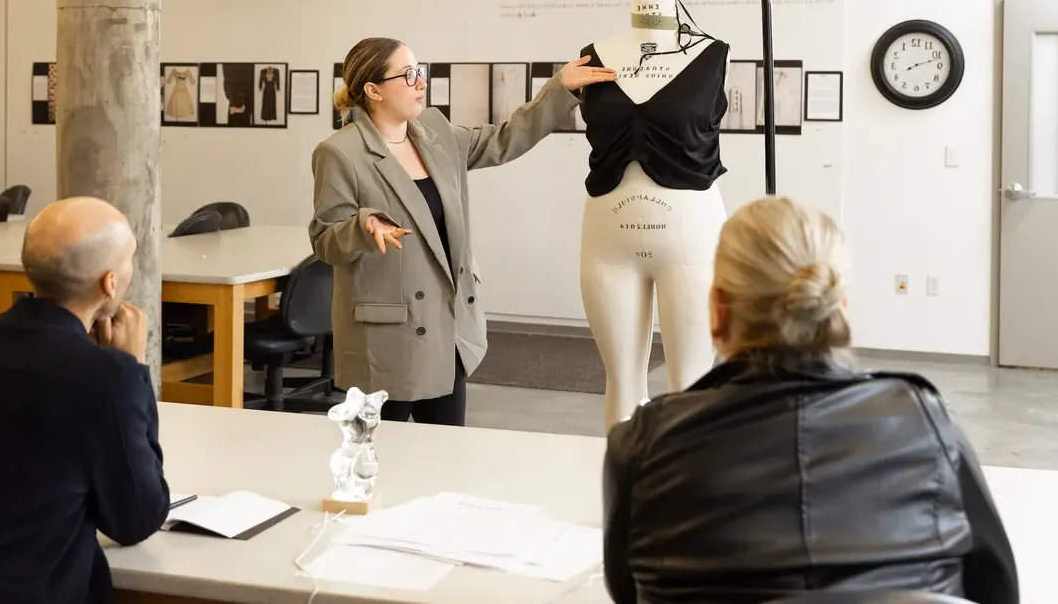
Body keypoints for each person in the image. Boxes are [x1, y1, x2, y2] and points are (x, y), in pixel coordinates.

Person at [602, 196, 1018, 604]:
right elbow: (997, 587)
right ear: (841, 309)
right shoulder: (927, 424)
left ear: (718, 312)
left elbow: (627, 591)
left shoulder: (644, 446)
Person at [311, 37, 615, 426]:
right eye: (408, 75)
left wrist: (559, 88)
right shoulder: (339, 152)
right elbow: (325, 239)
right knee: (383, 461)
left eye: (420, 71)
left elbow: (504, 140)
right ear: (373, 90)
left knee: (446, 456)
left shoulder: (435, 132)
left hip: (448, 331)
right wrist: (363, 225)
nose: (420, 82)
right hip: (388, 339)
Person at [0, 197, 170, 604]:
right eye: (129, 262)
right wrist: (133, 369)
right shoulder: (108, 379)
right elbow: (136, 518)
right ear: (110, 282)